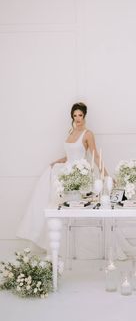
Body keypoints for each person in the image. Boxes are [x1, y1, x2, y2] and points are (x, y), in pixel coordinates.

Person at [16, 102, 108, 252]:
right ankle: (47, 239)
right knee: (47, 181)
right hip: (66, 171)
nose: (77, 118)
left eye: (80, 115)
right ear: (71, 116)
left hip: (79, 173)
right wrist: (57, 162)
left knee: (75, 206)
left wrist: (106, 174)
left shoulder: (88, 134)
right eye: (74, 115)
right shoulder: (71, 132)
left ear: (84, 116)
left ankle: (75, 247)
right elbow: (69, 155)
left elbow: (95, 156)